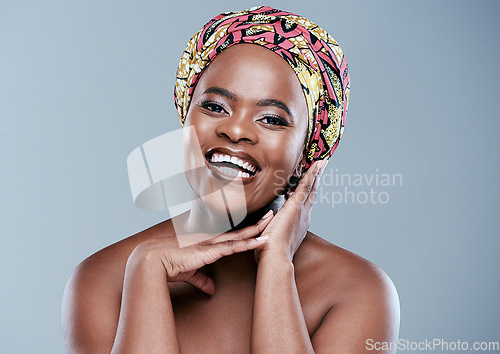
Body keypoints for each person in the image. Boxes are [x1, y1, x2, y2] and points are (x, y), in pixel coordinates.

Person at [62, 6, 400, 353]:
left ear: (306, 156)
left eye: (272, 119)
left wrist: (276, 267)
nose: (235, 130)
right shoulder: (103, 281)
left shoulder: (356, 291)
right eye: (215, 107)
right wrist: (146, 273)